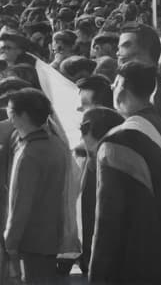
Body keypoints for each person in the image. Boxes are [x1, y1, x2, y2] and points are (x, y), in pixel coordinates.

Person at [90, 61, 161, 284]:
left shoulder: (118, 141)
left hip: (130, 260)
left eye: (115, 84)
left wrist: (98, 274)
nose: (113, 89)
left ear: (122, 88)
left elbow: (108, 218)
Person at [3, 88, 69, 283]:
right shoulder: (55, 144)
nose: (9, 115)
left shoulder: (28, 154)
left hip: (30, 242)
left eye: (11, 110)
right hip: (51, 236)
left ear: (22, 115)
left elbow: (20, 205)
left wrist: (10, 243)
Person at [117, 24, 161, 163]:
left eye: (125, 46)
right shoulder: (107, 95)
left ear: (146, 51)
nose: (118, 53)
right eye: (118, 47)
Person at [77, 106, 125, 277]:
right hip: (91, 259)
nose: (81, 134)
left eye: (83, 128)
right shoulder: (91, 160)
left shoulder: (112, 168)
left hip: (106, 264)